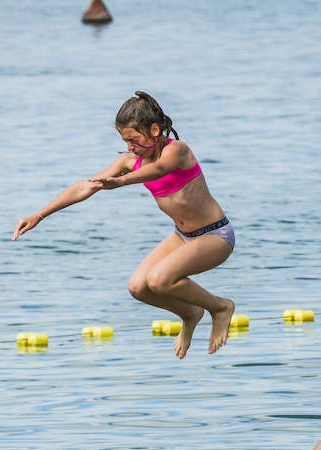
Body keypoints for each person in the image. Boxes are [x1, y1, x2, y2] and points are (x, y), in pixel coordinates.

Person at [12, 91, 235, 359]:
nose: (130, 147)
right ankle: (190, 313)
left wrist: (121, 181)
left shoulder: (177, 150)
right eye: (125, 141)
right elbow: (86, 186)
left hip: (214, 236)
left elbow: (160, 169)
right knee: (139, 287)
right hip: (182, 235)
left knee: (160, 280)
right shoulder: (130, 162)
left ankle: (220, 308)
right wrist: (39, 215)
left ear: (154, 129)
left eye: (133, 139)